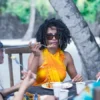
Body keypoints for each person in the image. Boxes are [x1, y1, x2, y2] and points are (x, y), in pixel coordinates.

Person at [28, 18, 83, 86]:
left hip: (58, 93)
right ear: (43, 37)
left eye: (57, 35)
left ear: (61, 37)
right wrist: (36, 56)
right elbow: (28, 79)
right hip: (37, 94)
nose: (54, 38)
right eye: (49, 36)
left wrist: (78, 79)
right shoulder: (36, 55)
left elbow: (76, 80)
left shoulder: (67, 56)